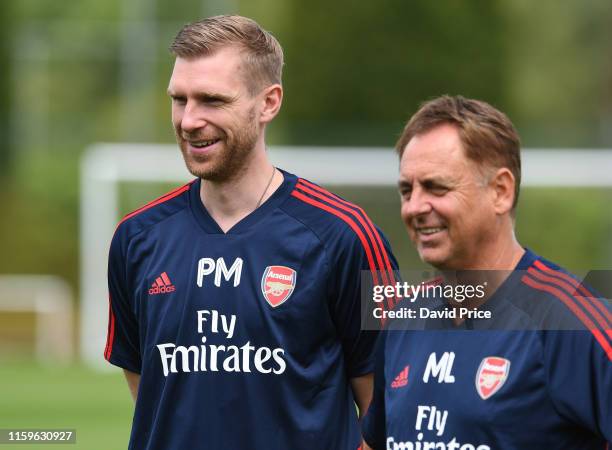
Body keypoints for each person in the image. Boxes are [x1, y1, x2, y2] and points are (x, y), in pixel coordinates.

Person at [104, 15, 398, 450]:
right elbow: (150, 394)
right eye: (179, 99)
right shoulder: (136, 238)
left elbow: (387, 414)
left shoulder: (347, 236)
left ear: (269, 103)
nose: (188, 120)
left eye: (211, 100)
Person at [362, 95, 611, 449]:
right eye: (407, 190)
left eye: (436, 187)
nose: (415, 207)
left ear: (501, 191)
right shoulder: (404, 320)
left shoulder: (568, 322)